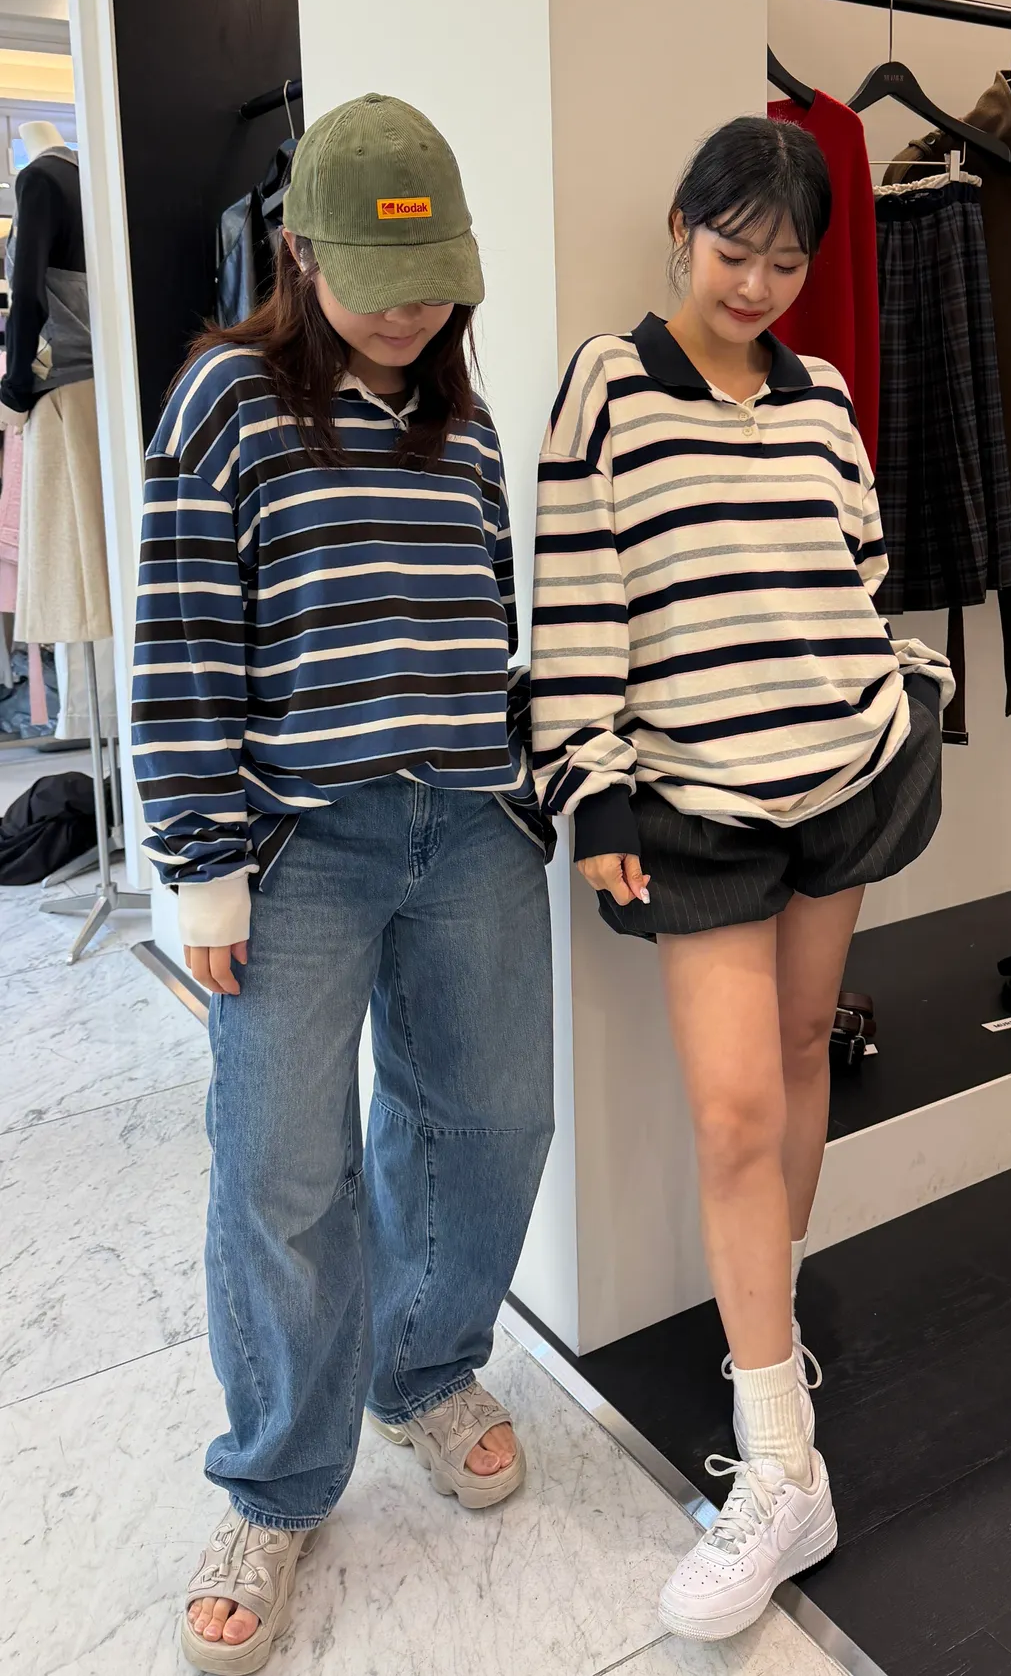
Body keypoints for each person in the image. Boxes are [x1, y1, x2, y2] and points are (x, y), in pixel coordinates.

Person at [132, 95, 554, 1674]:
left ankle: (423, 1369)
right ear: (299, 254)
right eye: (380, 283)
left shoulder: (469, 427)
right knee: (279, 1169)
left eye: (437, 282)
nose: (409, 312)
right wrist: (203, 868)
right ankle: (274, 1479)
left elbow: (484, 627)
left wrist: (530, 787)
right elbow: (182, 643)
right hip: (298, 846)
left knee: (490, 1122)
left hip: (469, 829)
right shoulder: (226, 400)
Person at [531, 116, 950, 1644]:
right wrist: (592, 784)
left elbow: (861, 565)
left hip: (842, 765)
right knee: (730, 1113)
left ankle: (763, 1358)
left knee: (797, 1053)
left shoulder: (823, 395)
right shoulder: (607, 383)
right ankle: (784, 1468)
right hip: (694, 802)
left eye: (786, 261)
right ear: (680, 230)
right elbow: (575, 598)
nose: (759, 284)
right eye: (734, 251)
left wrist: (888, 678)